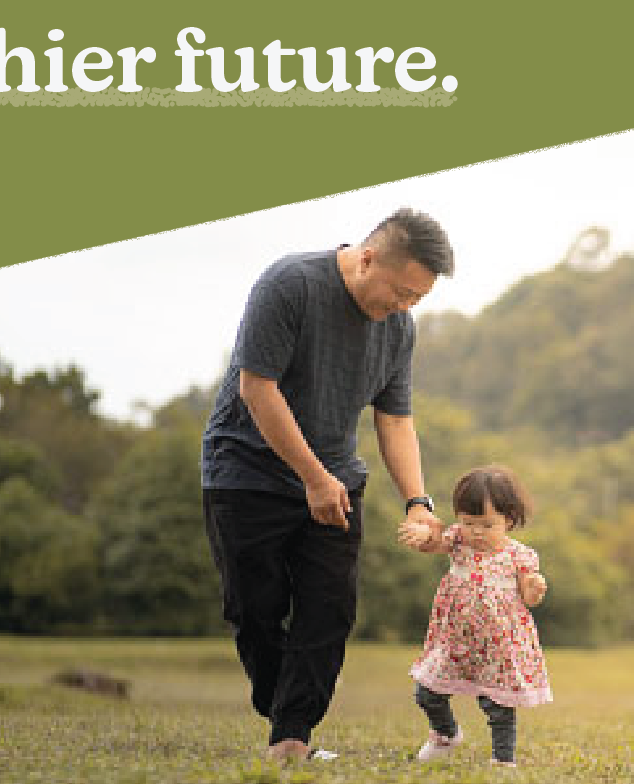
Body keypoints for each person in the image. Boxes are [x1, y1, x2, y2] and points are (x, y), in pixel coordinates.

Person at [201, 208, 455, 763]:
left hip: (336, 480)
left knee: (328, 609)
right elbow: (258, 389)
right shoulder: (289, 285)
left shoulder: (398, 328)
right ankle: (285, 719)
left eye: (418, 298)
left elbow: (395, 419)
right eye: (400, 291)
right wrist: (312, 477)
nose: (404, 307)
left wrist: (417, 501)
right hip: (245, 472)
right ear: (367, 258)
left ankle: (291, 738)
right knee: (254, 610)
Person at [397, 465, 551, 769]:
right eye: (468, 523)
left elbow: (529, 599)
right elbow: (433, 544)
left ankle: (503, 760)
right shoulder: (457, 541)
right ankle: (445, 734)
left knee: (498, 705)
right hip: (454, 640)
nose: (476, 532)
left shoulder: (519, 556)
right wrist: (423, 534)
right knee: (427, 692)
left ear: (508, 520)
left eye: (487, 525)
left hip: (498, 645)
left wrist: (534, 588)